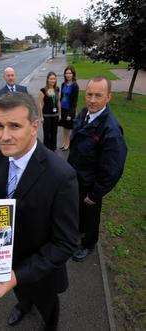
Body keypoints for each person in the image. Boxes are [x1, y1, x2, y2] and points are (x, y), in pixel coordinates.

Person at [0, 93, 79, 330]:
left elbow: (65, 243)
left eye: (14, 126)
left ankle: (50, 323)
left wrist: (17, 276)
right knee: (21, 295)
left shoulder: (62, 175)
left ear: (34, 127)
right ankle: (23, 305)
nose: (4, 136)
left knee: (48, 304)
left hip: (40, 268)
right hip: (4, 259)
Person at [67, 76, 127, 262]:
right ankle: (78, 233)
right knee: (77, 213)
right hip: (75, 178)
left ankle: (88, 245)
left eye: (98, 96)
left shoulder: (111, 130)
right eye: (89, 94)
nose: (92, 100)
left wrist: (95, 194)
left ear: (108, 97)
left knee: (91, 217)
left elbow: (113, 169)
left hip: (90, 186)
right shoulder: (85, 112)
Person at [38, 72, 61, 151]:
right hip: (46, 116)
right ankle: (46, 150)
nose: (53, 80)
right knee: (47, 134)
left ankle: (53, 149)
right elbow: (40, 104)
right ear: (47, 79)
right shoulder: (43, 90)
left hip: (55, 116)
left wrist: (59, 114)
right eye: (51, 79)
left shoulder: (57, 89)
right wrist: (41, 117)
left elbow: (58, 102)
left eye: (54, 79)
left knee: (54, 133)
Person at [59, 66, 79, 151]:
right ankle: (64, 142)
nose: (68, 75)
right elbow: (61, 97)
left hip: (69, 110)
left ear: (73, 74)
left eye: (70, 73)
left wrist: (70, 114)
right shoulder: (63, 84)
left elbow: (74, 102)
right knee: (64, 127)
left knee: (68, 128)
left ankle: (68, 144)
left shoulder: (75, 86)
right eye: (66, 73)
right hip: (63, 109)